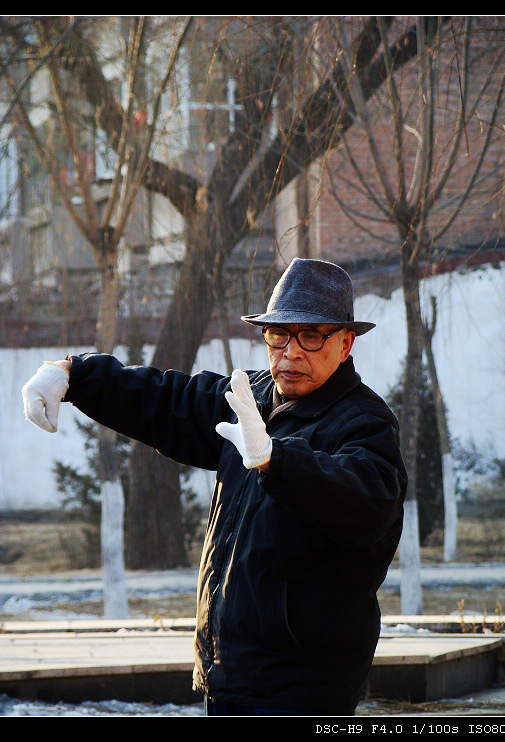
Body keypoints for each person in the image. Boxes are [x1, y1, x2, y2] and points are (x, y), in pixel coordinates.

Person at [22, 258, 407, 716]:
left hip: (303, 686)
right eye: (278, 335)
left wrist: (276, 460)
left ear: (345, 344)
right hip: (229, 674)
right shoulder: (252, 400)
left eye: (311, 336)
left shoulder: (364, 422)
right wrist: (72, 374)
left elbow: (368, 501)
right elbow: (168, 400)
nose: (291, 352)